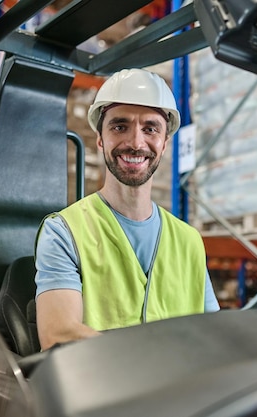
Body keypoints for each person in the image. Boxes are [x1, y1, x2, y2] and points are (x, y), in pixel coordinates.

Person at [34, 68, 220, 350]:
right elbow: (59, 335)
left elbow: (213, 337)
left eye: (150, 129)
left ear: (165, 143)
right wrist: (159, 359)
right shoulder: (64, 232)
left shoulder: (189, 241)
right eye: (120, 126)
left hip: (181, 393)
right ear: (100, 139)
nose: (135, 143)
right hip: (99, 391)